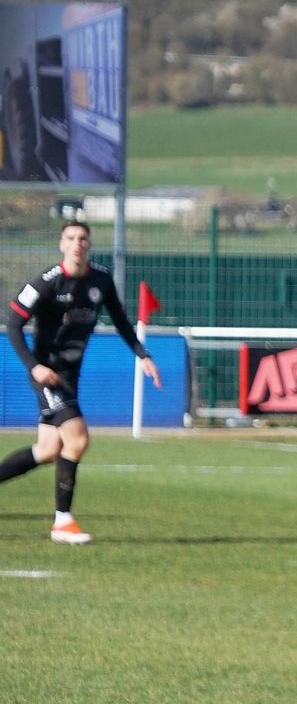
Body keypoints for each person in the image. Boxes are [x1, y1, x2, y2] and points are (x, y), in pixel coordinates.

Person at [2, 219, 162, 544]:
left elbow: (120, 320)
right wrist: (34, 367)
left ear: (89, 244)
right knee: (78, 438)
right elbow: (13, 324)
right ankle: (63, 522)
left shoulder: (101, 279)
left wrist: (142, 354)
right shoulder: (47, 282)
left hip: (71, 375)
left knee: (48, 449)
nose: (77, 243)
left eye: (83, 238)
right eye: (71, 238)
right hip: (48, 374)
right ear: (62, 244)